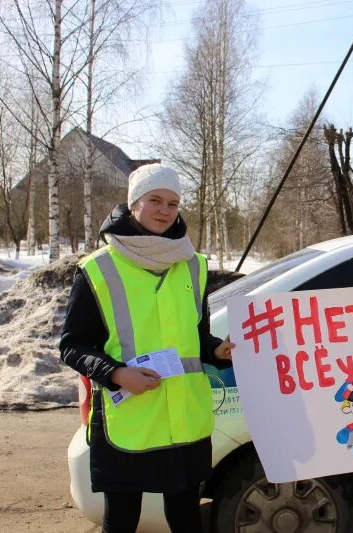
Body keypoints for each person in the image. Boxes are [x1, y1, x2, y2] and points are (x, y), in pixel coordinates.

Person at [60, 163, 234, 533]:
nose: (164, 210)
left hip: (185, 419)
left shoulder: (193, 265)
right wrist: (116, 373)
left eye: (173, 203)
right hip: (130, 421)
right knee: (122, 520)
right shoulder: (98, 268)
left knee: (186, 518)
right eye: (155, 200)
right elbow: (73, 345)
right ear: (133, 203)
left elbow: (196, 336)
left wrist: (217, 351)